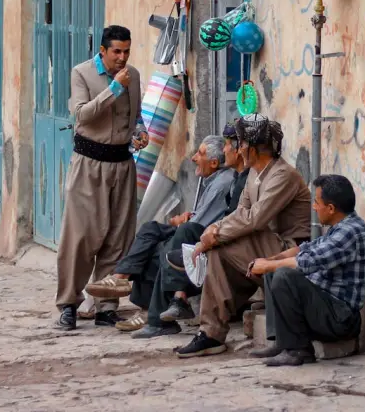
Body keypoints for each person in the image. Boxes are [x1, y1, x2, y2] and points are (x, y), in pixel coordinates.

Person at [172, 114, 311, 358]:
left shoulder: (282, 175)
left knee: (221, 244)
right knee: (217, 249)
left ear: (253, 148)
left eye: (240, 144)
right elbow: (240, 213)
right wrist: (212, 231)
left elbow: (256, 218)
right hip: (266, 245)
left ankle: (213, 331)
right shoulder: (254, 174)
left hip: (291, 247)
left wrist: (215, 236)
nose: (235, 149)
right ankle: (211, 334)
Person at [84, 131, 241, 332]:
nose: (193, 158)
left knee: (155, 249)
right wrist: (187, 217)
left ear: (213, 163)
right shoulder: (216, 180)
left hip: (203, 238)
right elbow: (204, 215)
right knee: (150, 230)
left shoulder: (222, 182)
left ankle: (141, 301)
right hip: (198, 231)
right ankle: (121, 278)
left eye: (200, 154)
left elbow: (201, 224)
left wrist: (179, 222)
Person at [55, 25, 148, 331]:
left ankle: (106, 307)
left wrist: (139, 133)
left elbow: (134, 117)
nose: (122, 58)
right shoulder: (82, 74)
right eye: (117, 52)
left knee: (117, 239)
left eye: (127, 51)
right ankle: (68, 304)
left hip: (122, 165)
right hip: (88, 165)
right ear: (103, 52)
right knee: (80, 237)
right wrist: (114, 89)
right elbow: (82, 115)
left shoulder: (132, 75)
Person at [129, 125, 251, 339]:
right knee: (151, 233)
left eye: (229, 146)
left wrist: (186, 224)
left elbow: (235, 221)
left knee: (170, 243)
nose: (225, 151)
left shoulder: (228, 181)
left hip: (221, 240)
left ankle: (167, 306)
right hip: (212, 234)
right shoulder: (229, 178)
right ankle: (130, 283)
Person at [246, 174, 365, 366]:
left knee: (283, 275)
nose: (314, 207)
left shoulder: (350, 232)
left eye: (316, 202)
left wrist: (270, 265)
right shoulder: (339, 227)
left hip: (340, 319)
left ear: (331, 208)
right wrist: (269, 260)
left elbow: (308, 262)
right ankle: (282, 342)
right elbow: (305, 248)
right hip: (327, 309)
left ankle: (299, 350)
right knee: (275, 270)